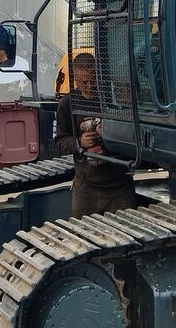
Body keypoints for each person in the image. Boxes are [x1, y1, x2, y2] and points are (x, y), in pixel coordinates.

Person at [54, 52, 135, 217]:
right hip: (86, 190)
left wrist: (111, 133)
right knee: (82, 236)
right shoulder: (67, 104)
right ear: (75, 79)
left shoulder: (114, 100)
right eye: (84, 82)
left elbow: (132, 133)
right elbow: (60, 142)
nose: (90, 86)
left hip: (120, 187)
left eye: (93, 80)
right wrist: (79, 143)